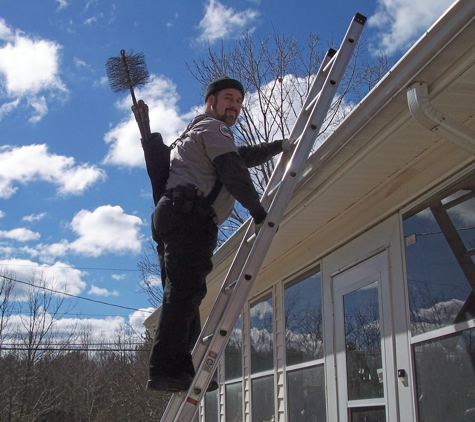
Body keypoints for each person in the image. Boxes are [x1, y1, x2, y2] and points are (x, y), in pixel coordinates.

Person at [146, 76, 291, 392]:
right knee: (184, 293)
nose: (235, 106)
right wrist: (258, 211)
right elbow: (233, 169)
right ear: (210, 101)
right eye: (228, 98)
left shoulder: (194, 132)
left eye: (239, 101)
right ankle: (166, 369)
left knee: (186, 293)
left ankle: (185, 368)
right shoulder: (215, 129)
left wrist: (278, 147)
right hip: (190, 217)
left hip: (170, 215)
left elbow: (241, 157)